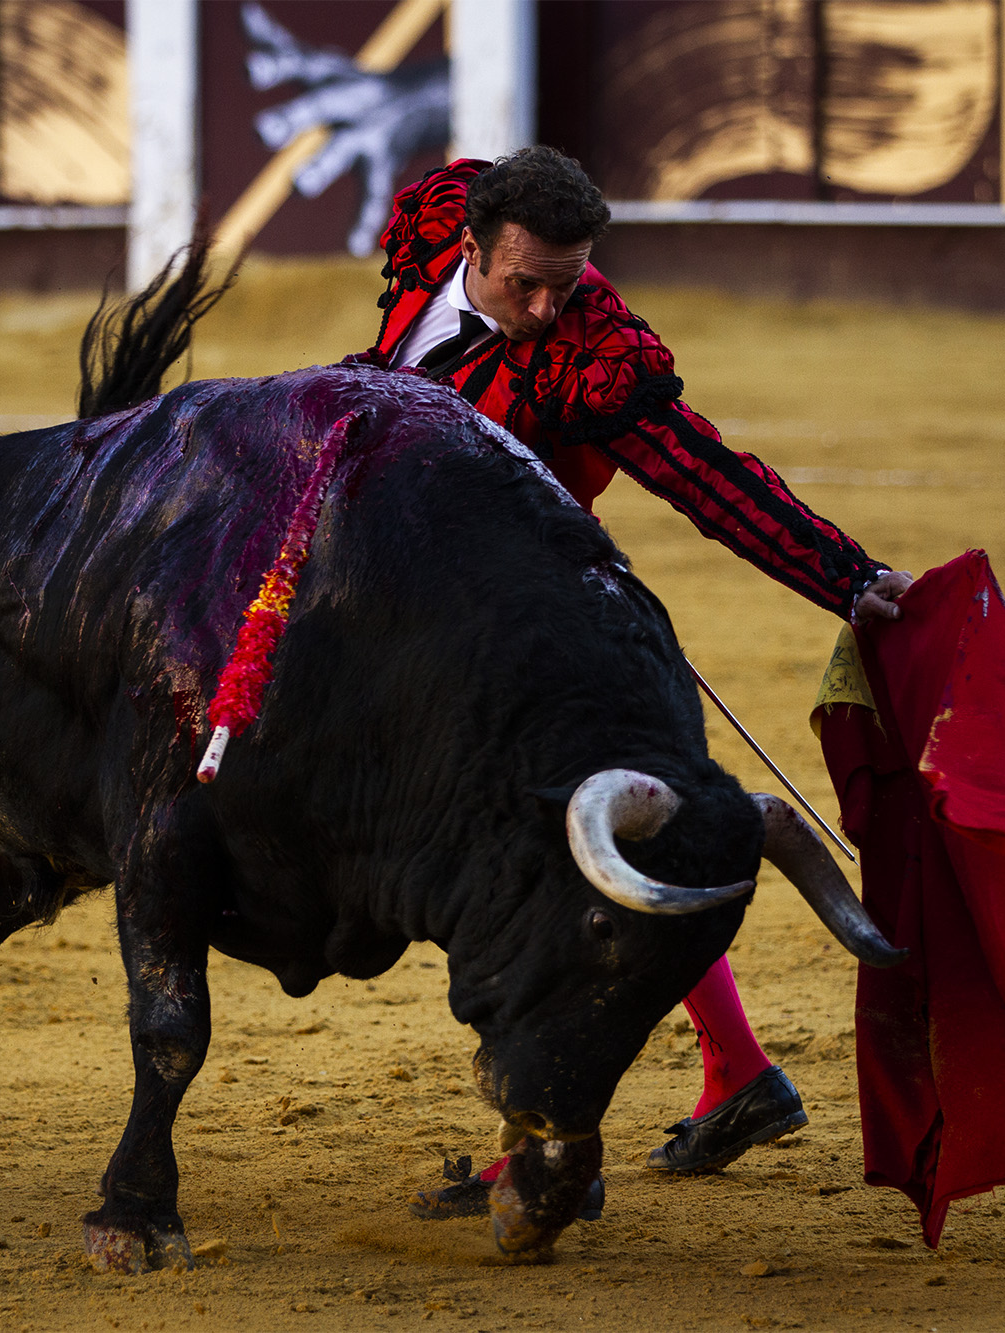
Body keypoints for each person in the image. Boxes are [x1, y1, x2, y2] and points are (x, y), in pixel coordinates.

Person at [340, 147, 913, 1218]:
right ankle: (737, 1072)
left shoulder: (592, 351)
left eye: (569, 280)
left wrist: (845, 576)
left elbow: (706, 476)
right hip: (411, 602)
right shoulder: (429, 227)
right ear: (468, 246)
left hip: (526, 625)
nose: (549, 305)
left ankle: (552, 1152)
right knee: (600, 851)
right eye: (525, 283)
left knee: (544, 863)